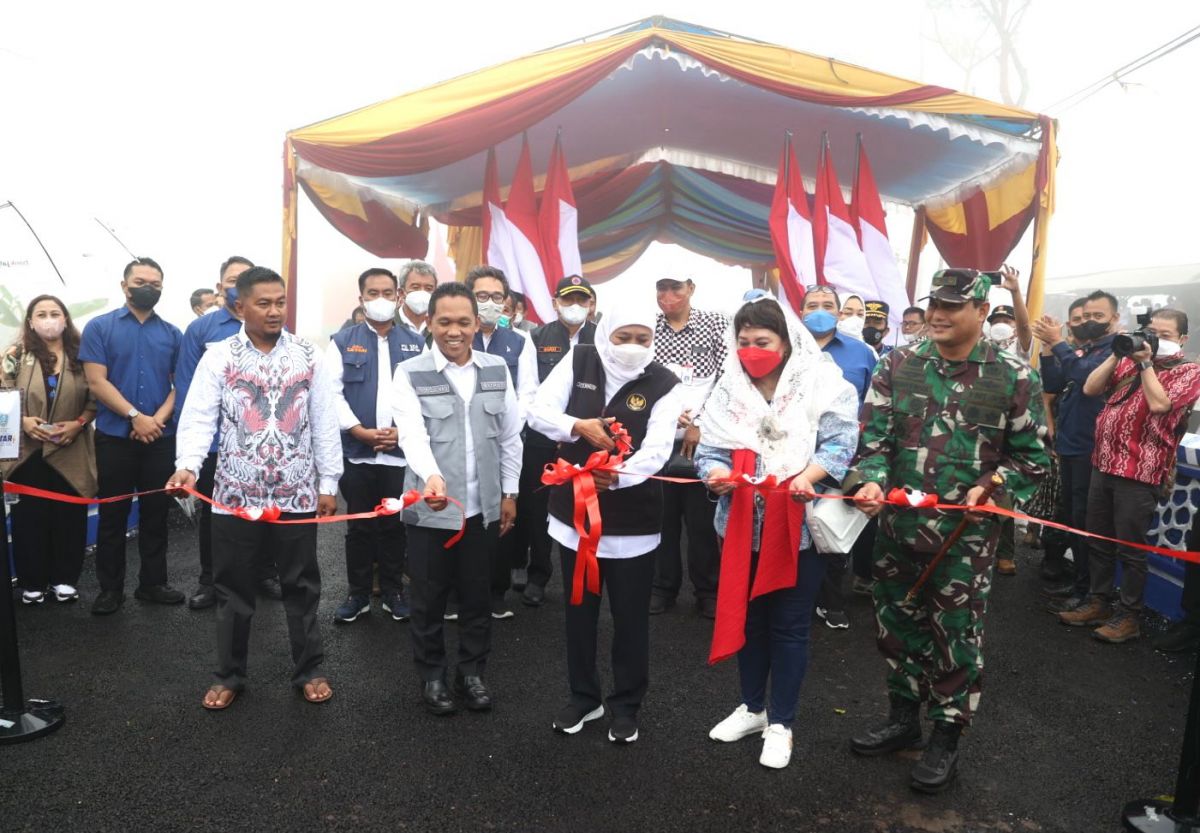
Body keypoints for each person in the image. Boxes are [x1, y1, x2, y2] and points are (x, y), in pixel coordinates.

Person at [846, 268, 1048, 793]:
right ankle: (902, 719)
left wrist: (994, 488)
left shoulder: (1013, 375)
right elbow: (873, 442)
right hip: (897, 529)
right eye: (934, 303)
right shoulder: (897, 364)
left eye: (953, 306)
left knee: (955, 639)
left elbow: (1032, 459)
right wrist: (870, 480)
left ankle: (945, 737)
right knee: (895, 628)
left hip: (964, 541)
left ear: (981, 311)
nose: (938, 314)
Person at [168, 266, 342, 710]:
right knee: (232, 588)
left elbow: (324, 420)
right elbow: (199, 416)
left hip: (296, 494)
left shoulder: (309, 355)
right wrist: (187, 466)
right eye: (263, 303)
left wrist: (329, 482)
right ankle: (229, 675)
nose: (274, 311)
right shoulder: (219, 356)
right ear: (240, 306)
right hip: (234, 496)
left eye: (280, 302)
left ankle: (310, 669)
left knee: (301, 586)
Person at [699, 295, 858, 769]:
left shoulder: (821, 382)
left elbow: (841, 442)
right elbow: (711, 448)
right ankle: (752, 708)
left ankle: (781, 723)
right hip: (740, 527)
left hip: (798, 527)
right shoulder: (728, 388)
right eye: (743, 341)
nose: (751, 350)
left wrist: (807, 477)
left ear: (786, 343)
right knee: (749, 621)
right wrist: (715, 474)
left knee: (788, 627)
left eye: (762, 341)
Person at [530, 300, 683, 744]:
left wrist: (617, 477)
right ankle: (584, 697)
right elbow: (538, 411)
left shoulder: (665, 382)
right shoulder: (580, 359)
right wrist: (578, 426)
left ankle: (627, 704)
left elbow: (658, 448)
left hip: (633, 522)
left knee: (630, 618)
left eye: (642, 338)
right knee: (579, 612)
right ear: (606, 334)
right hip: (574, 517)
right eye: (623, 337)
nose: (633, 346)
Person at [390, 282, 522, 715]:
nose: (454, 331)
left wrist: (510, 491)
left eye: (463, 322)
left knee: (477, 597)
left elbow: (510, 437)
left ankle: (471, 674)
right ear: (429, 322)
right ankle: (432, 676)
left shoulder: (496, 369)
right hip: (432, 508)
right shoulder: (410, 372)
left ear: (476, 323)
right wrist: (431, 475)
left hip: (482, 509)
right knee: (428, 599)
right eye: (444, 321)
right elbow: (411, 433)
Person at [1058, 309, 1200, 643]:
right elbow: (1090, 387)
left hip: (1140, 472)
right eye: (1151, 332)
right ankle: (1099, 602)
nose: (1155, 339)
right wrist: (1117, 353)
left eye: (1165, 335)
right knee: (1098, 540)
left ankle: (1129, 616)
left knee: (1131, 548)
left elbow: (1160, 405)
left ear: (1182, 340)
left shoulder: (1188, 371)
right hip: (1103, 463)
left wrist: (1147, 363)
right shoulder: (1125, 362)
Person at [175, 256, 283, 610]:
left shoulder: (274, 328)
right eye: (232, 280)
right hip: (215, 446)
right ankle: (211, 580)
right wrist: (192, 450)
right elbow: (189, 390)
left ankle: (264, 573)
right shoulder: (202, 330)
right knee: (216, 516)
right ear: (222, 287)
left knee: (267, 509)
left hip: (264, 445)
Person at [80, 257, 184, 615]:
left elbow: (180, 385)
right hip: (115, 437)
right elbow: (96, 382)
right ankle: (110, 590)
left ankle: (153, 583)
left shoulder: (172, 333)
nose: (148, 288)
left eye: (155, 283)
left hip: (159, 438)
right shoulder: (99, 327)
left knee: (156, 514)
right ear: (124, 286)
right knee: (113, 515)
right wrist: (135, 417)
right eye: (140, 282)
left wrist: (155, 421)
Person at [326, 267, 425, 625]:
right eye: (373, 293)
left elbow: (425, 395)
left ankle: (394, 592)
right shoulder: (341, 341)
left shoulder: (417, 343)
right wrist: (358, 430)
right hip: (358, 453)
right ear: (361, 298)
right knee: (359, 527)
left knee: (394, 526)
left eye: (387, 293)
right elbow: (331, 393)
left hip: (399, 455)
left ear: (398, 297)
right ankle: (358, 595)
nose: (380, 299)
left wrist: (403, 433)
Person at [2, 296, 96, 604]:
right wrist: (23, 421)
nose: (48, 319)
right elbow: (2, 394)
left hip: (71, 446)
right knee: (30, 518)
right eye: (41, 314)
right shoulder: (15, 355)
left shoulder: (83, 354)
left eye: (55, 313)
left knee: (69, 515)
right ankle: (33, 582)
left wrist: (78, 424)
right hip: (28, 451)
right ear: (30, 322)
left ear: (66, 319)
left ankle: (65, 579)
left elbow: (96, 397)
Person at [1031, 290, 1119, 612]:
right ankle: (1081, 585)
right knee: (1073, 518)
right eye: (1084, 317)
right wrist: (1047, 346)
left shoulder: (1115, 351)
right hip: (1070, 445)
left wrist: (1059, 342)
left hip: (1090, 449)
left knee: (1085, 521)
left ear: (1114, 319)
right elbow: (1054, 384)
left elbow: (1083, 378)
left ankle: (1091, 594)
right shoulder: (1087, 349)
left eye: (1097, 316)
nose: (1089, 322)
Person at [798, 284, 879, 629]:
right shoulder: (788, 346)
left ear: (839, 311)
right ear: (801, 311)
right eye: (812, 305)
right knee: (795, 528)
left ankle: (831, 601)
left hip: (842, 453)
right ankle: (795, 599)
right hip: (794, 453)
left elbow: (874, 406)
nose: (820, 311)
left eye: (828, 305)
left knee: (831, 525)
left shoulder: (862, 353)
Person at [649, 276, 728, 618]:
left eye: (676, 289)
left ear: (691, 288)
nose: (668, 296)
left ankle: (707, 590)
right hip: (658, 440)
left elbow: (728, 379)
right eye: (662, 289)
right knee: (661, 521)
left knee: (702, 524)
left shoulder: (716, 324)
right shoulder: (650, 327)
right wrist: (668, 417)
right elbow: (642, 378)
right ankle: (662, 588)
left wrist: (699, 423)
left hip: (705, 443)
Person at [517, 276, 598, 607]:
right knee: (537, 509)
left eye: (582, 300)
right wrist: (558, 429)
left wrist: (578, 432)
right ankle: (538, 575)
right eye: (568, 300)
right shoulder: (536, 338)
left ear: (591, 304)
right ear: (555, 303)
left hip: (587, 440)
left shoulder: (602, 339)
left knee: (585, 507)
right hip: (542, 438)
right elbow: (528, 392)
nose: (575, 306)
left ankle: (586, 573)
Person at [464, 266, 537, 618]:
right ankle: (457, 593)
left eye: (496, 296)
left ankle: (496, 591)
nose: (489, 303)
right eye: (481, 296)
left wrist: (505, 427)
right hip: (462, 443)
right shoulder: (455, 335)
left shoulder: (520, 342)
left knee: (502, 517)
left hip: (504, 441)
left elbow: (527, 393)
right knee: (463, 514)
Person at [986, 265, 1036, 577]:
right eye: (996, 321)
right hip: (983, 424)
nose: (1001, 326)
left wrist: (1016, 292)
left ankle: (1005, 553)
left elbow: (1026, 326)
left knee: (1003, 489)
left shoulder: (1020, 347)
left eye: (1006, 321)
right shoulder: (982, 345)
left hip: (1011, 426)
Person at [395, 260, 438, 337]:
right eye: (415, 287)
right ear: (401, 293)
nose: (422, 292)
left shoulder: (442, 326)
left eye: (428, 288)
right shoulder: (385, 324)